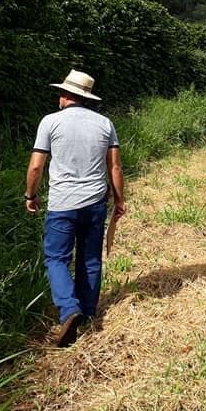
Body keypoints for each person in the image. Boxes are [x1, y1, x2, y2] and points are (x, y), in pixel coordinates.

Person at [23, 69, 126, 347]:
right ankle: (89, 314)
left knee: (56, 258)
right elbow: (114, 166)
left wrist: (30, 195)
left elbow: (36, 166)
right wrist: (119, 200)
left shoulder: (50, 122)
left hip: (62, 204)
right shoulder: (105, 124)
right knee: (90, 259)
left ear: (66, 95)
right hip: (95, 203)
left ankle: (69, 310)